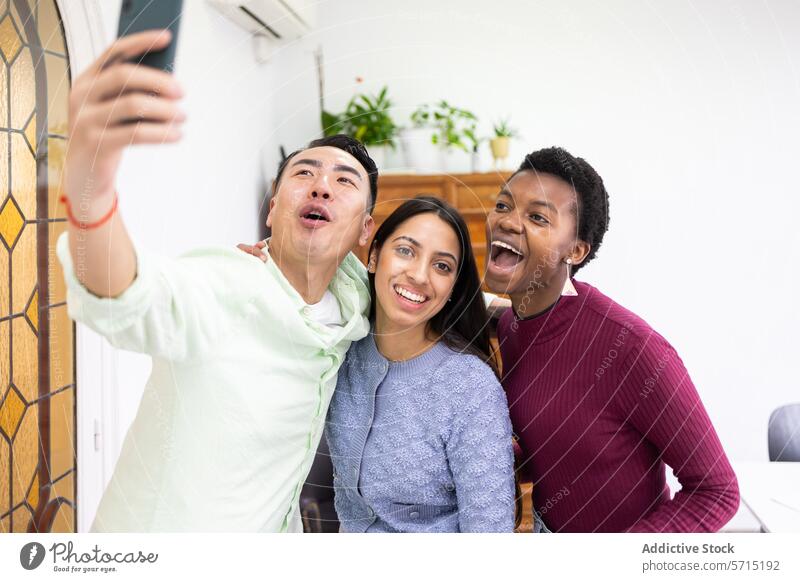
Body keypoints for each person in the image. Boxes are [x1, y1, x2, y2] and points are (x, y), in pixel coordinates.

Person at [59, 30, 380, 531]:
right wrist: (89, 175)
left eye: (345, 181)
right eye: (304, 174)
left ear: (365, 230)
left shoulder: (358, 302)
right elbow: (129, 294)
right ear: (273, 209)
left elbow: (434, 304)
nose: (322, 184)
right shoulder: (225, 282)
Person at [484, 146, 740, 532]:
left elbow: (717, 492)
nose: (507, 222)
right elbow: (561, 438)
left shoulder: (632, 349)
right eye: (503, 206)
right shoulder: (511, 327)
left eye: (537, 217)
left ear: (576, 250)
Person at [326, 196, 515, 533]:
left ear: (453, 289)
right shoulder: (343, 348)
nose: (418, 275)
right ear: (373, 257)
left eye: (441, 266)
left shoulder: (470, 388)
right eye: (405, 251)